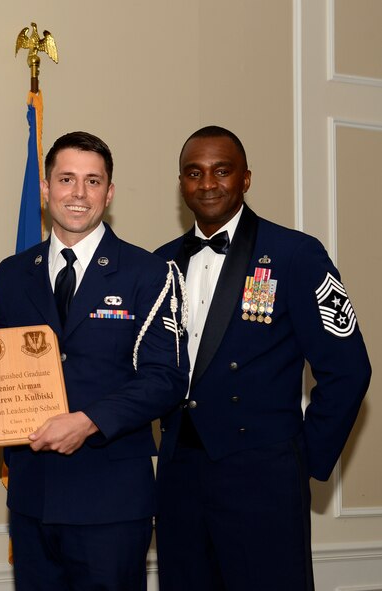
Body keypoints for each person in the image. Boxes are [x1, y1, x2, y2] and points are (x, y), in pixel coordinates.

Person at [154, 125, 372, 590]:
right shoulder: (160, 263)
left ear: (246, 179)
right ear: (181, 184)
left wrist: (298, 460)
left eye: (222, 171)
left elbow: (349, 369)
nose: (207, 183)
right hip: (179, 478)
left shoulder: (296, 254)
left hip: (263, 478)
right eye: (194, 173)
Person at [0, 131, 189, 590]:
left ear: (109, 194)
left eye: (93, 182)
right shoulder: (14, 273)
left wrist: (88, 421)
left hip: (110, 501)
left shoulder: (147, 272)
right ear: (45, 189)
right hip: (33, 497)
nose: (78, 193)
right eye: (66, 179)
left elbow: (166, 378)